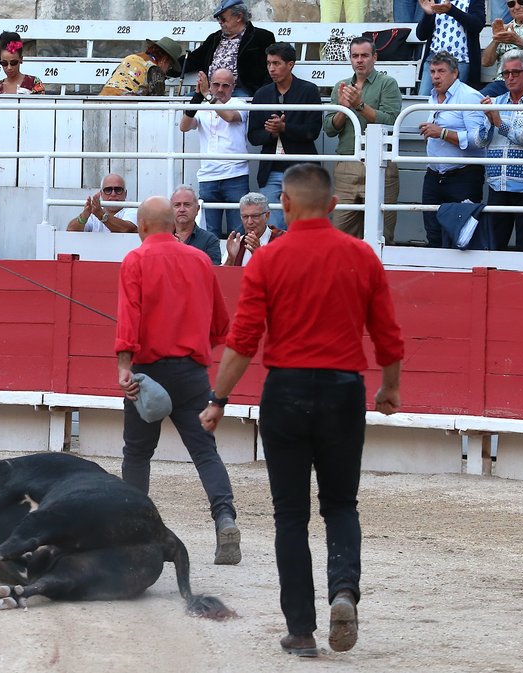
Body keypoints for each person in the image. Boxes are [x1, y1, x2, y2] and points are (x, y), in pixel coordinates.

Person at [200, 163, 404, 658]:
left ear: (284, 206)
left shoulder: (269, 260)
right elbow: (388, 337)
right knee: (340, 505)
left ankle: (302, 631)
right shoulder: (360, 255)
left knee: (290, 516)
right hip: (342, 392)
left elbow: (243, 340)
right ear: (334, 205)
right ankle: (343, 592)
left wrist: (218, 399)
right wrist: (389, 390)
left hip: (286, 392)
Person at [115, 195, 240, 567]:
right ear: (172, 224)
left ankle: (134, 533)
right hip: (191, 374)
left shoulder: (135, 259)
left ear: (141, 227)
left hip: (147, 373)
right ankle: (225, 518)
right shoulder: (201, 259)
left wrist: (124, 366)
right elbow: (221, 324)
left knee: (137, 454)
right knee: (205, 453)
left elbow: (129, 318)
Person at [326, 36, 403, 243]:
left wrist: (359, 105)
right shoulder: (340, 86)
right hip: (347, 165)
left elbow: (391, 121)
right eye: (355, 56)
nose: (359, 60)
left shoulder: (388, 83)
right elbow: (329, 129)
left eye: (364, 55)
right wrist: (344, 109)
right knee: (340, 235)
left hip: (380, 164)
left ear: (374, 57)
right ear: (350, 59)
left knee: (382, 235)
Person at [477, 50, 523, 252]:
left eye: (515, 72)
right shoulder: (496, 101)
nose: (509, 77)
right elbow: (481, 140)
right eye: (506, 73)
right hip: (498, 184)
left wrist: (499, 122)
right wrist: (487, 120)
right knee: (494, 248)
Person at [248, 43, 323, 231]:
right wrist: (271, 133)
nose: (271, 69)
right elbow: (253, 136)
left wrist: (284, 128)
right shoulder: (262, 94)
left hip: (301, 170)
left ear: (290, 64)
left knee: (302, 226)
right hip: (271, 170)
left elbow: (313, 131)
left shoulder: (309, 90)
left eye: (276, 63)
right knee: (273, 227)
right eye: (268, 63)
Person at [419, 51, 489, 248]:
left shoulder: (469, 96)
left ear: (455, 73)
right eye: (432, 71)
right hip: (434, 175)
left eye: (441, 71)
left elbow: (479, 140)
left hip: (463, 176)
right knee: (432, 233)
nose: (435, 76)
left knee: (461, 235)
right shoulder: (432, 97)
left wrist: (442, 133)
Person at [179, 68, 249, 238]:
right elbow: (184, 126)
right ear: (210, 85)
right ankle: (212, 265)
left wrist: (207, 96)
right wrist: (197, 97)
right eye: (216, 85)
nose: (220, 89)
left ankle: (235, 266)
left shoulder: (241, 104)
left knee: (237, 233)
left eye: (225, 86)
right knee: (210, 233)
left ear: (233, 87)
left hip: (235, 175)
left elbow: (230, 117)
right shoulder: (203, 105)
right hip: (208, 176)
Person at [184, 0, 274, 97]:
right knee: (183, 103)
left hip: (239, 91)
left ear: (239, 17)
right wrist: (171, 65)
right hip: (210, 91)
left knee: (241, 104)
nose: (220, 22)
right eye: (218, 19)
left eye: (223, 19)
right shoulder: (215, 38)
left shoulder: (262, 37)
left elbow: (272, 66)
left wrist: (262, 93)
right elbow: (194, 59)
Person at [416, 0, 486, 96]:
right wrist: (428, 14)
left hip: (460, 60)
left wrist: (451, 10)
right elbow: (421, 35)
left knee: (453, 103)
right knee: (423, 102)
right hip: (433, 60)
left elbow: (477, 25)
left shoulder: (472, 1)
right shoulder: (436, 1)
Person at [100, 37, 184, 96]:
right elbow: (157, 100)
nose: (169, 69)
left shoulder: (131, 58)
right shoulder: (154, 69)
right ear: (165, 60)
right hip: (126, 105)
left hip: (102, 97)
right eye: (169, 65)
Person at [224, 192, 283, 266]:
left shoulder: (283, 241)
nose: (249, 222)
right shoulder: (237, 244)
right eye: (245, 216)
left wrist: (259, 255)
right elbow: (222, 276)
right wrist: (231, 258)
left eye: (255, 216)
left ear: (267, 216)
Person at [66, 174, 138, 233]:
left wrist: (101, 215)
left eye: (118, 190)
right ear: (101, 194)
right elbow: (71, 232)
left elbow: (126, 229)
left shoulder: (132, 212)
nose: (113, 194)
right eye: (108, 190)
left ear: (125, 194)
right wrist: (84, 215)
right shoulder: (93, 216)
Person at [171, 185, 221, 265]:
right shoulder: (162, 238)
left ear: (197, 209)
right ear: (170, 209)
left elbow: (213, 273)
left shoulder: (210, 240)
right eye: (177, 205)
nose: (182, 209)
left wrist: (184, 252)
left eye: (187, 205)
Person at [0, 30, 44, 95]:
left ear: (21, 59)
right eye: (4, 63)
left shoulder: (33, 83)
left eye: (13, 62)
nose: (9, 67)